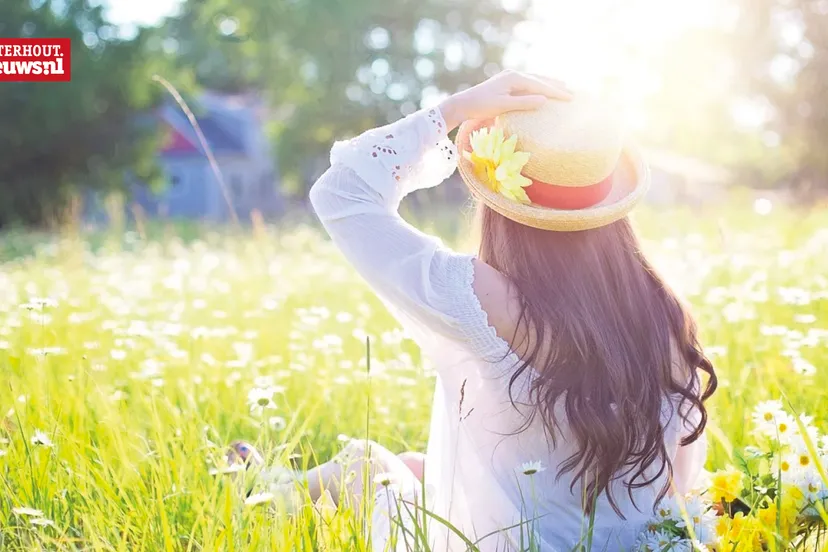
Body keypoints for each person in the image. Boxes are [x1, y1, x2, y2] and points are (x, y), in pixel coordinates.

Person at [235, 71, 717, 551]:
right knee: (416, 467)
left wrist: (453, 110)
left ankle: (263, 492)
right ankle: (273, 483)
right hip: (633, 545)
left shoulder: (487, 299)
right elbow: (677, 482)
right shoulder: (663, 312)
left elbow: (341, 193)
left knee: (367, 466)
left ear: (500, 201)